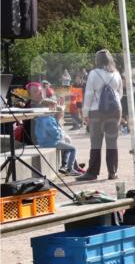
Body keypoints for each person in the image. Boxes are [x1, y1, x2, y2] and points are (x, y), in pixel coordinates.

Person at [78, 49, 124, 181]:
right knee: (112, 143)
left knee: (96, 143)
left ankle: (92, 172)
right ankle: (112, 172)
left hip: (96, 111)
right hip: (114, 111)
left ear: (97, 60)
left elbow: (89, 94)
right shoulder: (116, 74)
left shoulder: (93, 73)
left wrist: (85, 113)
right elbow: (119, 94)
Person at [23, 82, 82, 176]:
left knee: (67, 142)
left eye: (40, 91)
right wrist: (59, 132)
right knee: (71, 147)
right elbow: (53, 132)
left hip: (44, 140)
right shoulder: (44, 116)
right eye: (36, 91)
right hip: (47, 141)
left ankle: (67, 166)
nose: (40, 93)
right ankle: (69, 168)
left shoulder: (42, 114)